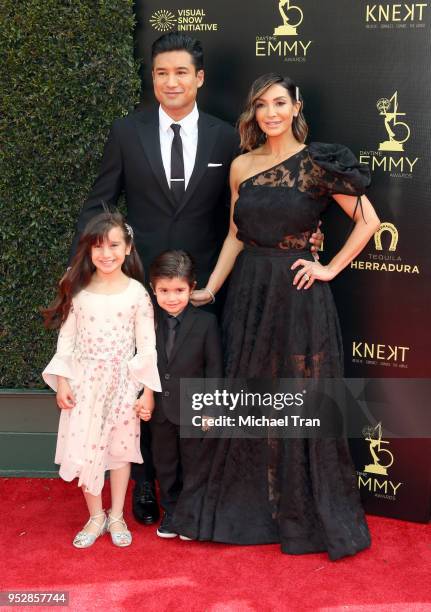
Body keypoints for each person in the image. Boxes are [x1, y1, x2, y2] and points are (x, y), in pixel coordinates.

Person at [68, 31, 323, 525]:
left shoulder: (227, 137)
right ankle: (145, 486)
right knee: (141, 386)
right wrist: (101, 254)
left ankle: (200, 484)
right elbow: (98, 203)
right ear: (153, 77)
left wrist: (308, 234)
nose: (171, 81)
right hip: (140, 287)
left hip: (207, 286)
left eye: (181, 72)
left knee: (200, 387)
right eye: (161, 72)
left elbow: (250, 205)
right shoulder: (127, 132)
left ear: (199, 78)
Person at [172, 74, 381, 560]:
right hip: (248, 293)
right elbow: (234, 236)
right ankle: (254, 504)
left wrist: (328, 267)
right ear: (254, 111)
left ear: (296, 106)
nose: (271, 113)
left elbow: (369, 221)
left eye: (280, 103)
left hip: (298, 294)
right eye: (262, 104)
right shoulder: (242, 165)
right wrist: (210, 289)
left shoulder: (317, 162)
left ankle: (298, 507)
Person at [41, 212, 161, 548]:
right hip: (85, 384)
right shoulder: (78, 290)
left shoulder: (137, 293)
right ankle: (95, 517)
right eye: (98, 247)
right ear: (88, 251)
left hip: (125, 384)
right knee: (85, 448)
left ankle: (117, 514)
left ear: (128, 248)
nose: (106, 253)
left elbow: (148, 347)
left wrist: (148, 391)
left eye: (113, 245)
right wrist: (63, 381)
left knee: (120, 453)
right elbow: (66, 340)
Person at [135, 250, 223, 539]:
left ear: (192, 287)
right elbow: (142, 364)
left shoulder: (207, 324)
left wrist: (211, 409)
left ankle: (191, 514)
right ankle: (171, 512)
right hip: (160, 412)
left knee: (195, 464)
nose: (171, 297)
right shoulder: (147, 324)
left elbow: (214, 370)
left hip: (195, 410)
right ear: (153, 289)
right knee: (166, 465)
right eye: (164, 290)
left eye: (179, 290)